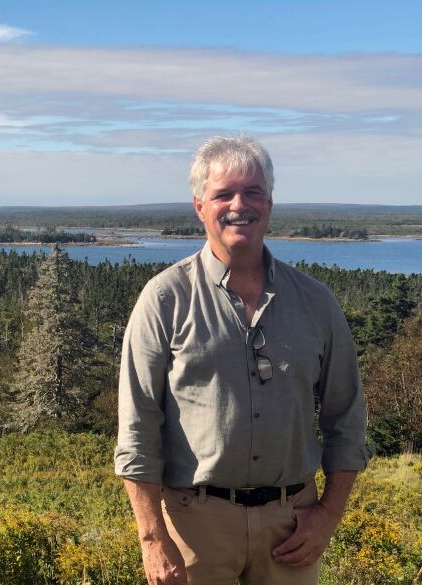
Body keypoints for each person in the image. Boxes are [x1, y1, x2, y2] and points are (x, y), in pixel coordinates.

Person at [114, 135, 372, 585]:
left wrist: (328, 516)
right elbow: (137, 428)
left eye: (253, 192)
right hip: (193, 527)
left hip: (293, 525)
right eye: (223, 194)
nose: (240, 204)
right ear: (199, 206)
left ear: (269, 203)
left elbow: (346, 419)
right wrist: (153, 540)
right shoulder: (164, 299)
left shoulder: (315, 302)